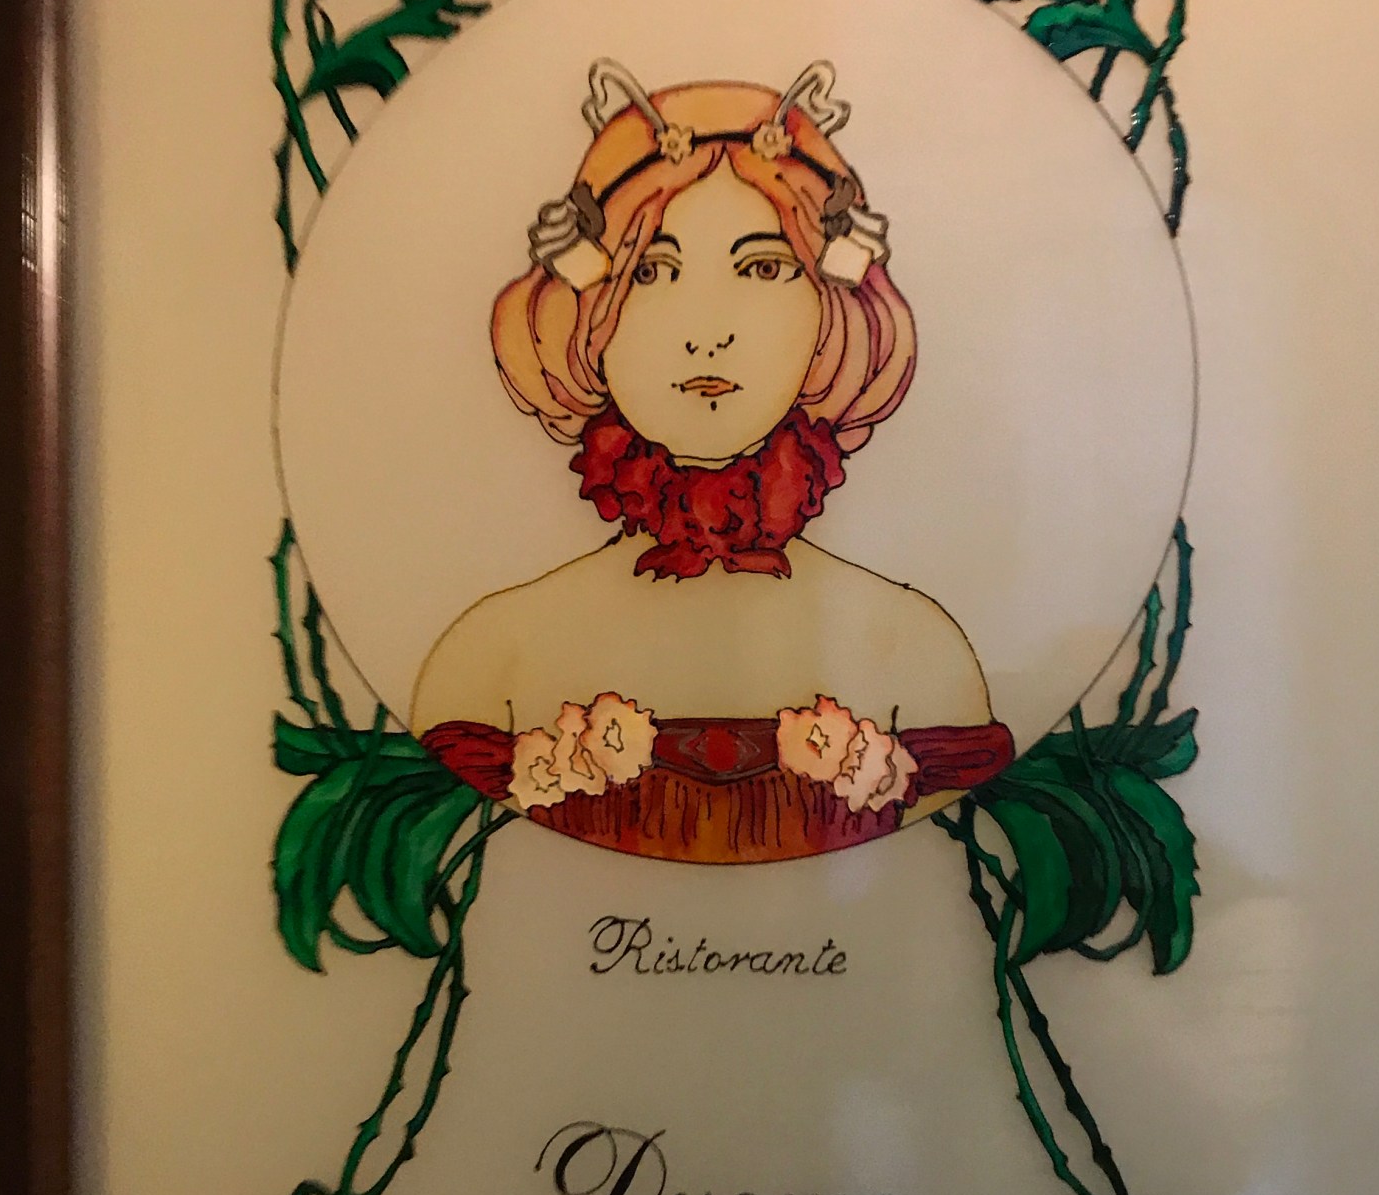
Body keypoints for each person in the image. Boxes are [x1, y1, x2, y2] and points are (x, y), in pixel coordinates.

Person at [411, 59, 1012, 863]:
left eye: (762, 267)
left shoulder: (922, 658)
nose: (706, 331)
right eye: (650, 271)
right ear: (582, 302)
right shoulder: (490, 661)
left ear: (835, 300)